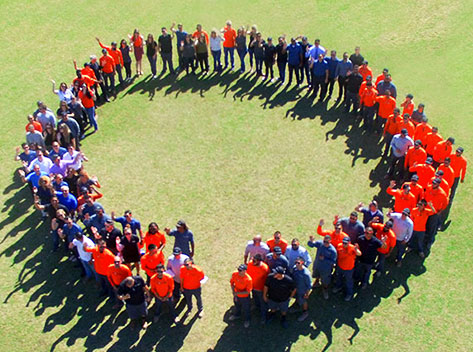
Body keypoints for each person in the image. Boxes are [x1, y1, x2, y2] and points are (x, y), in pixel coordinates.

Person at [307, 235, 337, 299]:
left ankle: (325, 290)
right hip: (317, 265)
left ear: (330, 241)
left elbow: (333, 262)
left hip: (326, 269)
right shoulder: (320, 244)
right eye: (324, 241)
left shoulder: (332, 250)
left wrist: (324, 259)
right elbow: (310, 245)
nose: (325, 243)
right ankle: (316, 282)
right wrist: (311, 241)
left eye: (327, 242)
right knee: (316, 275)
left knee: (325, 281)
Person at [332, 237, 361, 301]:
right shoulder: (339, 246)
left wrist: (356, 250)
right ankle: (338, 287)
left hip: (349, 269)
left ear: (349, 243)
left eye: (346, 243)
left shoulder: (352, 248)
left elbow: (359, 254)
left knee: (349, 281)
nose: (344, 244)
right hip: (340, 267)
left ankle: (349, 294)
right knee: (338, 278)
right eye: (343, 243)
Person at [424, 179, 449, 249]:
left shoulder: (442, 193)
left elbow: (445, 203)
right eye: (433, 183)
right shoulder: (429, 187)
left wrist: (440, 211)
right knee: (425, 225)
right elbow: (425, 196)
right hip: (426, 211)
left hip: (434, 213)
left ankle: (429, 241)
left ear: (438, 184)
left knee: (432, 227)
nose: (433, 184)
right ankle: (425, 237)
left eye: (435, 184)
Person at [246, 253, 269, 323]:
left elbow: (267, 281)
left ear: (259, 261)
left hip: (260, 289)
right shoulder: (250, 264)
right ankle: (256, 307)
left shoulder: (265, 268)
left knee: (263, 303)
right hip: (252, 287)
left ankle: (263, 316)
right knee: (255, 298)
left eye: (254, 261)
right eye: (253, 260)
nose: (252, 261)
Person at [229, 264, 253, 328]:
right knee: (237, 305)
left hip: (245, 297)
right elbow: (232, 283)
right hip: (237, 295)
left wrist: (237, 293)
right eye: (238, 270)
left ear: (245, 271)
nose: (239, 272)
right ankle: (237, 315)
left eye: (240, 270)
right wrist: (233, 292)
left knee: (246, 308)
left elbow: (248, 291)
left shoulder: (248, 279)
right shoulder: (235, 274)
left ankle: (247, 320)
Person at [291, 257, 312, 321]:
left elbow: (309, 285)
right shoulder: (295, 269)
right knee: (297, 298)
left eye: (298, 263)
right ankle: (296, 306)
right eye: (296, 262)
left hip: (302, 291)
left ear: (302, 263)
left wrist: (307, 294)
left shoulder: (306, 274)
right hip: (296, 289)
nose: (296, 264)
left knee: (303, 301)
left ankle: (305, 312)